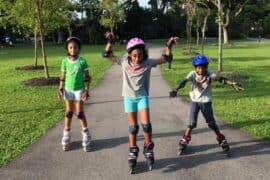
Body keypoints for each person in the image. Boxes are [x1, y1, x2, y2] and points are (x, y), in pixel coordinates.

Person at [102, 32, 178, 173]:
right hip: (128, 97)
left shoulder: (147, 63)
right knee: (133, 128)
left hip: (142, 96)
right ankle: (133, 149)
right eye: (134, 55)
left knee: (146, 125)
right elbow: (106, 55)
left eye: (140, 55)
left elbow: (166, 58)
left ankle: (148, 148)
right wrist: (110, 41)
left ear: (144, 54)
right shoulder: (124, 61)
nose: (137, 58)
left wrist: (169, 45)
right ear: (130, 54)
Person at [169, 54, 244, 154]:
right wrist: (176, 89)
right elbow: (184, 82)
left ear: (206, 67)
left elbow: (221, 79)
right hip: (195, 101)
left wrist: (233, 84)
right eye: (199, 68)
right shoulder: (192, 74)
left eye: (203, 68)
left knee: (212, 124)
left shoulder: (209, 74)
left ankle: (221, 138)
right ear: (195, 68)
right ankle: (185, 139)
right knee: (191, 123)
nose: (201, 70)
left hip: (206, 102)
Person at [58, 37, 92, 152]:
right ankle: (66, 134)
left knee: (80, 113)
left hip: (79, 90)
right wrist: (60, 89)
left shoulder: (82, 61)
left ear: (78, 48)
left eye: (75, 47)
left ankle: (86, 134)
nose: (73, 49)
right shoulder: (64, 61)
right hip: (68, 90)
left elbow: (87, 77)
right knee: (68, 112)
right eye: (70, 47)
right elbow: (62, 77)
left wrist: (87, 90)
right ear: (67, 49)